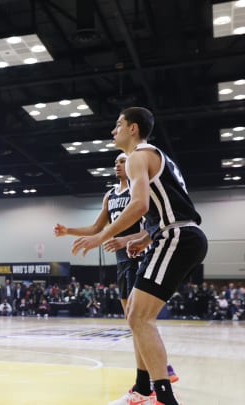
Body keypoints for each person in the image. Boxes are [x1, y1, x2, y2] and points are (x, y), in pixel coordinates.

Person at [71, 107, 208, 405]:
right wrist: (144, 237)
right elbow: (166, 207)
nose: (113, 130)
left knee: (139, 317)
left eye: (117, 124)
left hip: (178, 237)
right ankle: (143, 389)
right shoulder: (156, 156)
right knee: (135, 313)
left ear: (133, 128)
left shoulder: (137, 156)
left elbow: (140, 206)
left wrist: (100, 236)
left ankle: (162, 397)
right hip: (176, 234)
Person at [54, 153, 179, 382]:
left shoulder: (139, 189)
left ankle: (161, 372)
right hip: (121, 260)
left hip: (139, 254)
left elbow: (152, 227)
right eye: (116, 162)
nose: (118, 165)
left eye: (122, 161)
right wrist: (68, 231)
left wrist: (126, 239)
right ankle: (157, 371)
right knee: (132, 321)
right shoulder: (110, 195)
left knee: (140, 318)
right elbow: (96, 227)